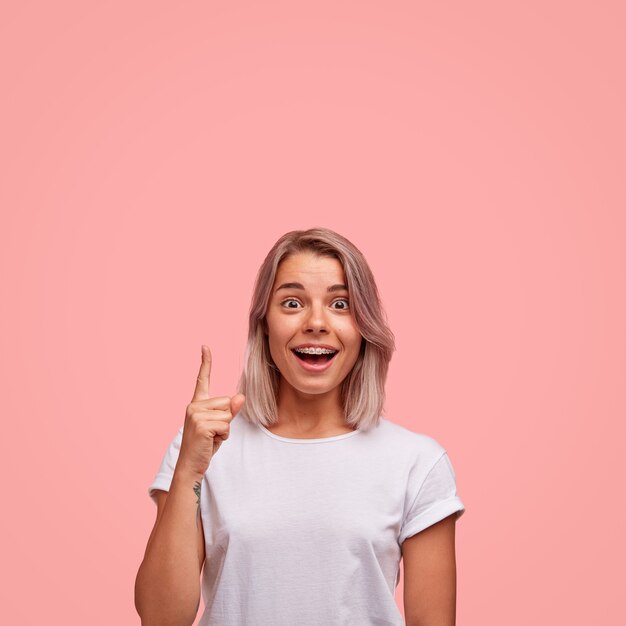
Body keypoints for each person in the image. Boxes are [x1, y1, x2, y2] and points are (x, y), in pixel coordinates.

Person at [135, 227, 466, 626]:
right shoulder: (203, 449)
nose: (316, 322)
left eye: (340, 304)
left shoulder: (417, 462)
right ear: (264, 324)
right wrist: (188, 467)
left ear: (364, 328)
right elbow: (159, 618)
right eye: (292, 303)